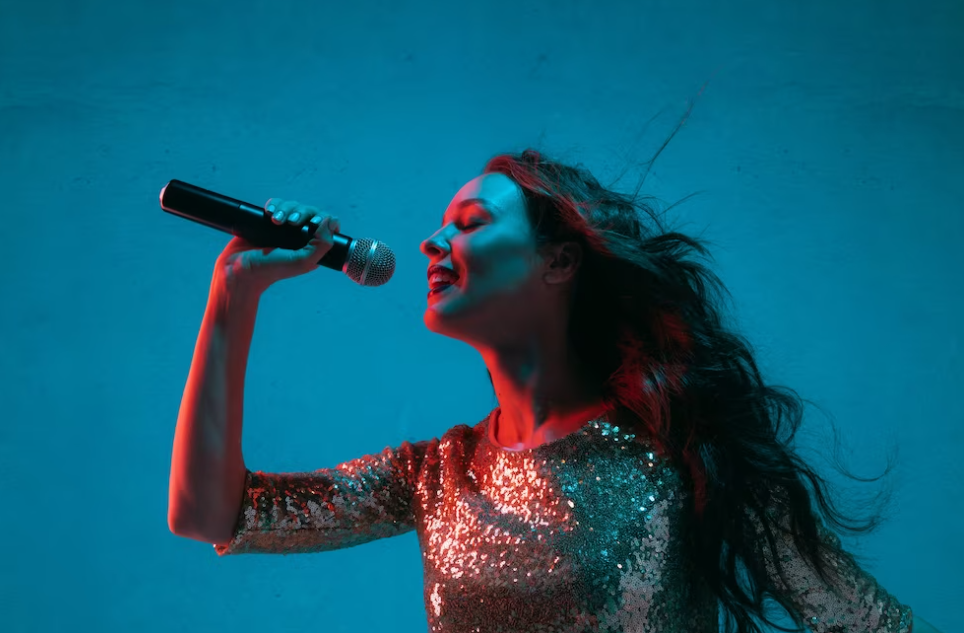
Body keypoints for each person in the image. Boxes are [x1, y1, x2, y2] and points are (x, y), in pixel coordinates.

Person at [168, 149, 939, 633]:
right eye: (441, 225)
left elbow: (868, 623)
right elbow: (211, 512)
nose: (433, 242)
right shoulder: (437, 475)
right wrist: (233, 294)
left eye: (468, 223)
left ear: (560, 263)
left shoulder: (680, 454)